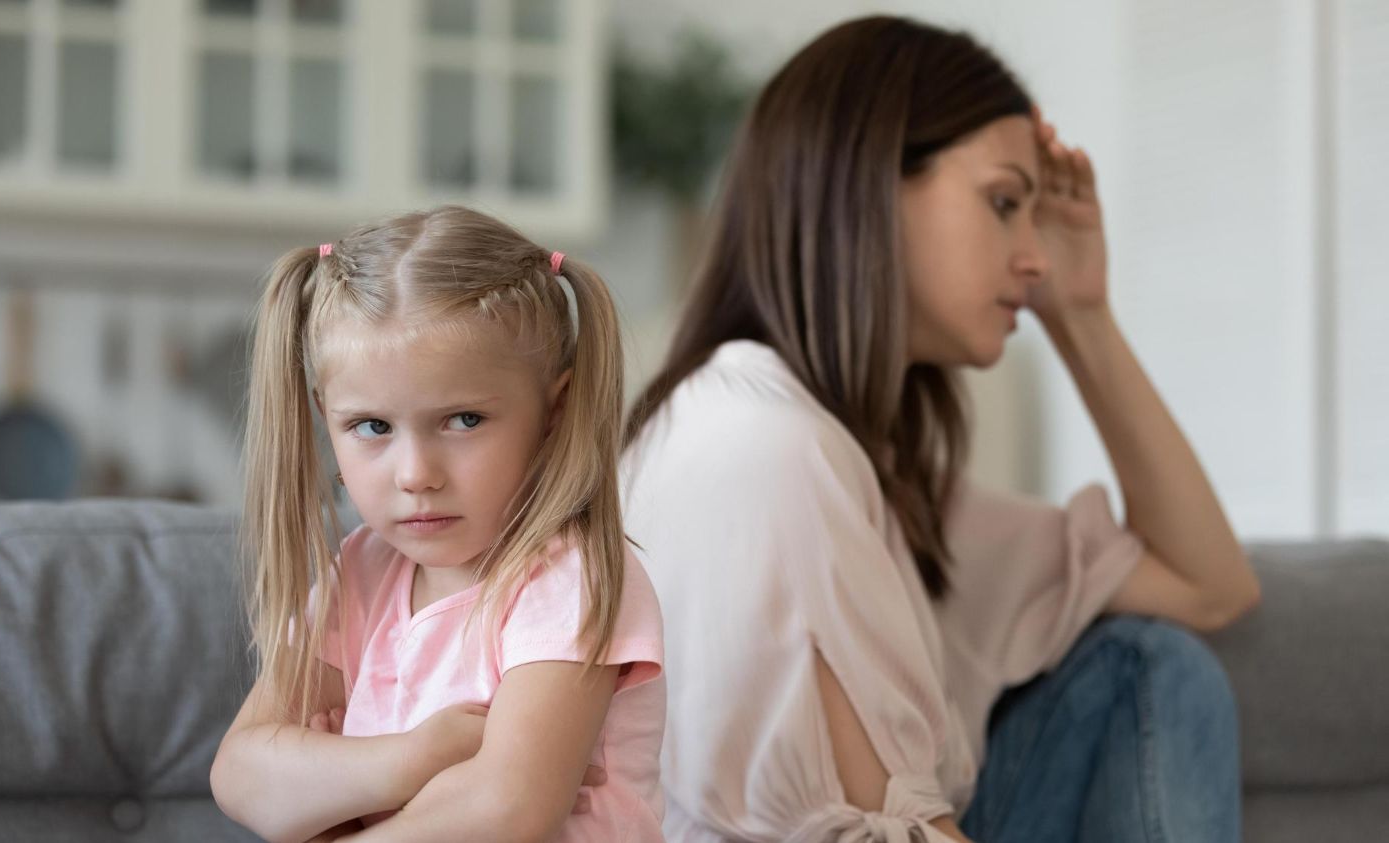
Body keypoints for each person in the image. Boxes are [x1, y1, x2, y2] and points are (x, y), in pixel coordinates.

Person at [620, 16, 1261, 843]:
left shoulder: (871, 477)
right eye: (1003, 204)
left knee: (1154, 665)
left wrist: (1083, 313)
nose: (1032, 258)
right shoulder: (756, 442)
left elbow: (1211, 586)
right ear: (870, 182)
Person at [211, 206, 666, 842]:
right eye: (372, 427)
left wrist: (327, 785)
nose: (416, 474)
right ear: (326, 417)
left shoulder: (568, 578)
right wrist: (417, 759)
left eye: (464, 421)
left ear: (555, 410)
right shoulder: (365, 569)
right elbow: (241, 772)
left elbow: (507, 811)